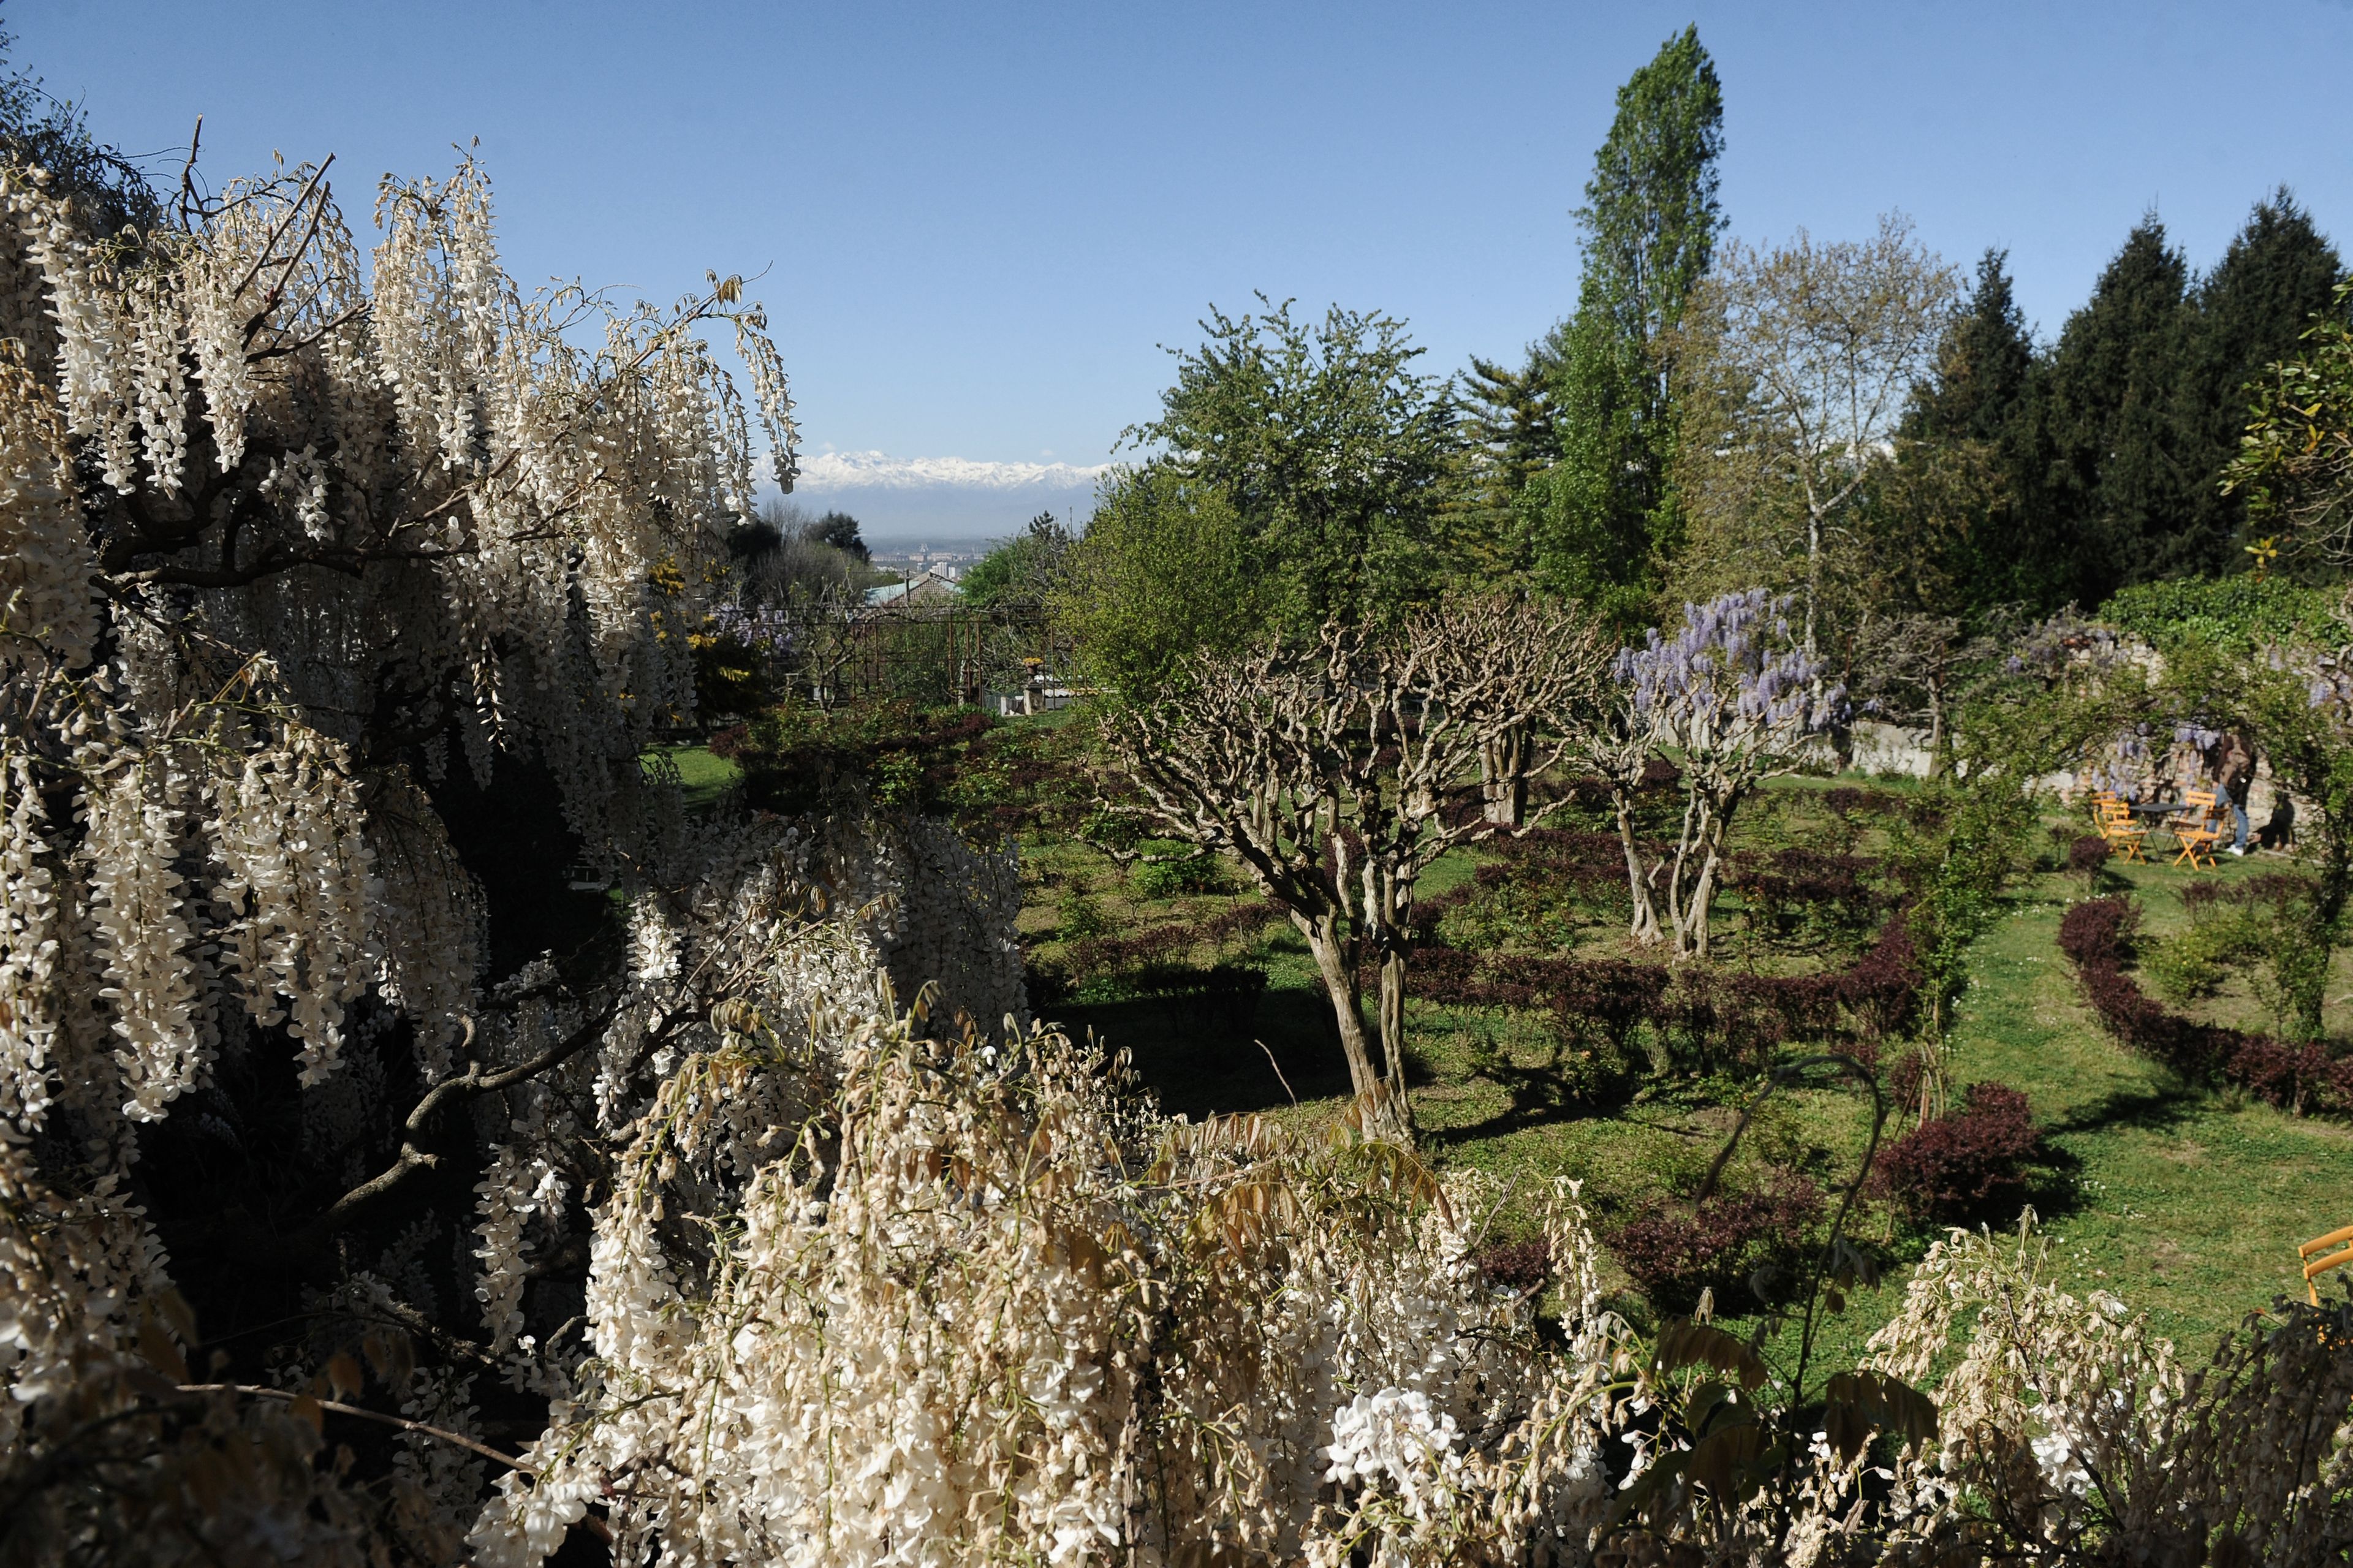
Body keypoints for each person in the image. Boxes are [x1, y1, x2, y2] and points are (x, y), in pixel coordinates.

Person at [2208, 729, 2256, 855]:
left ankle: (2207, 840)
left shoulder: (2232, 740)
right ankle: (2240, 846)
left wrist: (2216, 778)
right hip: (2241, 784)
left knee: (2216, 809)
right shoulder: (2251, 744)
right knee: (2241, 813)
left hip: (2227, 782)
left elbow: (2222, 759)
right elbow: (2253, 767)